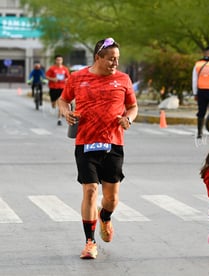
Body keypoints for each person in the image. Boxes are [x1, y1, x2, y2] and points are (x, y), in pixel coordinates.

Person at [58, 37, 138, 260]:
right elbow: (63, 100)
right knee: (90, 189)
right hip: (85, 143)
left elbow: (132, 106)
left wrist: (128, 119)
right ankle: (90, 241)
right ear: (98, 58)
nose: (115, 63)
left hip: (113, 143)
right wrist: (66, 112)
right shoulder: (78, 78)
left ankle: (105, 216)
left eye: (117, 59)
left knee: (111, 199)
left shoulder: (123, 79)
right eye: (111, 59)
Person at [46, 54, 70, 125]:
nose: (59, 61)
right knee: (53, 104)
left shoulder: (65, 69)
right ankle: (53, 105)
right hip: (53, 88)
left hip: (62, 88)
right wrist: (52, 79)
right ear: (55, 60)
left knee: (60, 103)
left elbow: (68, 77)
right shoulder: (52, 68)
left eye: (60, 60)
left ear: (62, 61)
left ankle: (59, 119)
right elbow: (47, 76)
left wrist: (66, 80)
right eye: (58, 60)